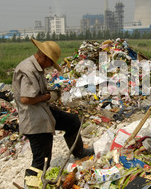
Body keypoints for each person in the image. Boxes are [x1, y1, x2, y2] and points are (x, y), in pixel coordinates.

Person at [12, 39, 94, 176]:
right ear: (45, 57)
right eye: (51, 63)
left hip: (43, 112)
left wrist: (49, 94)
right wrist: (48, 97)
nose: (50, 66)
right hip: (34, 120)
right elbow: (25, 98)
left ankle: (79, 152)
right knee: (42, 160)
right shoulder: (27, 70)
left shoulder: (36, 67)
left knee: (72, 121)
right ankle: (30, 188)